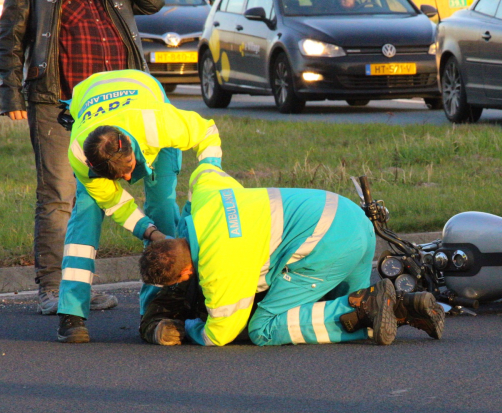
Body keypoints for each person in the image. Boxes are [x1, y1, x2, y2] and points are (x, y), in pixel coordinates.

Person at [138, 164, 445, 347]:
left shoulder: (220, 268)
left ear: (184, 274)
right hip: (350, 217)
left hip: (327, 245)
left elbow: (219, 334)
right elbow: (205, 172)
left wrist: (188, 330)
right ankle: (403, 306)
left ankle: (367, 309)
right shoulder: (207, 200)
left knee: (263, 329)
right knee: (339, 306)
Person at [0, 0, 164, 315]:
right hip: (57, 101)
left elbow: (152, 5)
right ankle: (53, 288)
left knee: (90, 197)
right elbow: (10, 37)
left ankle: (78, 288)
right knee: (58, 194)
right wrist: (10, 92)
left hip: (115, 104)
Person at [56, 69, 223, 343]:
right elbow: (116, 204)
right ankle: (71, 313)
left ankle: (157, 311)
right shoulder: (79, 153)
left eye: (127, 171)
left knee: (164, 209)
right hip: (89, 96)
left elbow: (208, 131)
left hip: (144, 93)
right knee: (85, 218)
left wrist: (207, 180)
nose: (124, 180)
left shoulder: (158, 124)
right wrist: (149, 233)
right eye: (115, 177)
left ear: (133, 151)